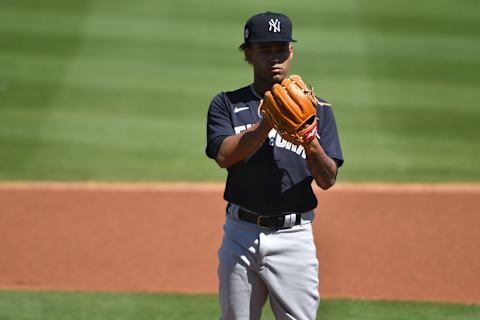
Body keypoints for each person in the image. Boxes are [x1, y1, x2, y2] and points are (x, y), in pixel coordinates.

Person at [205, 11, 344, 320]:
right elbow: (225, 156)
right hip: (240, 233)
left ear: (291, 52)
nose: (275, 57)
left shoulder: (318, 110)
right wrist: (268, 120)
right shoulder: (226, 104)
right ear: (248, 54)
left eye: (281, 49)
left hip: (294, 238)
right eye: (266, 49)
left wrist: (309, 137)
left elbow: (327, 179)